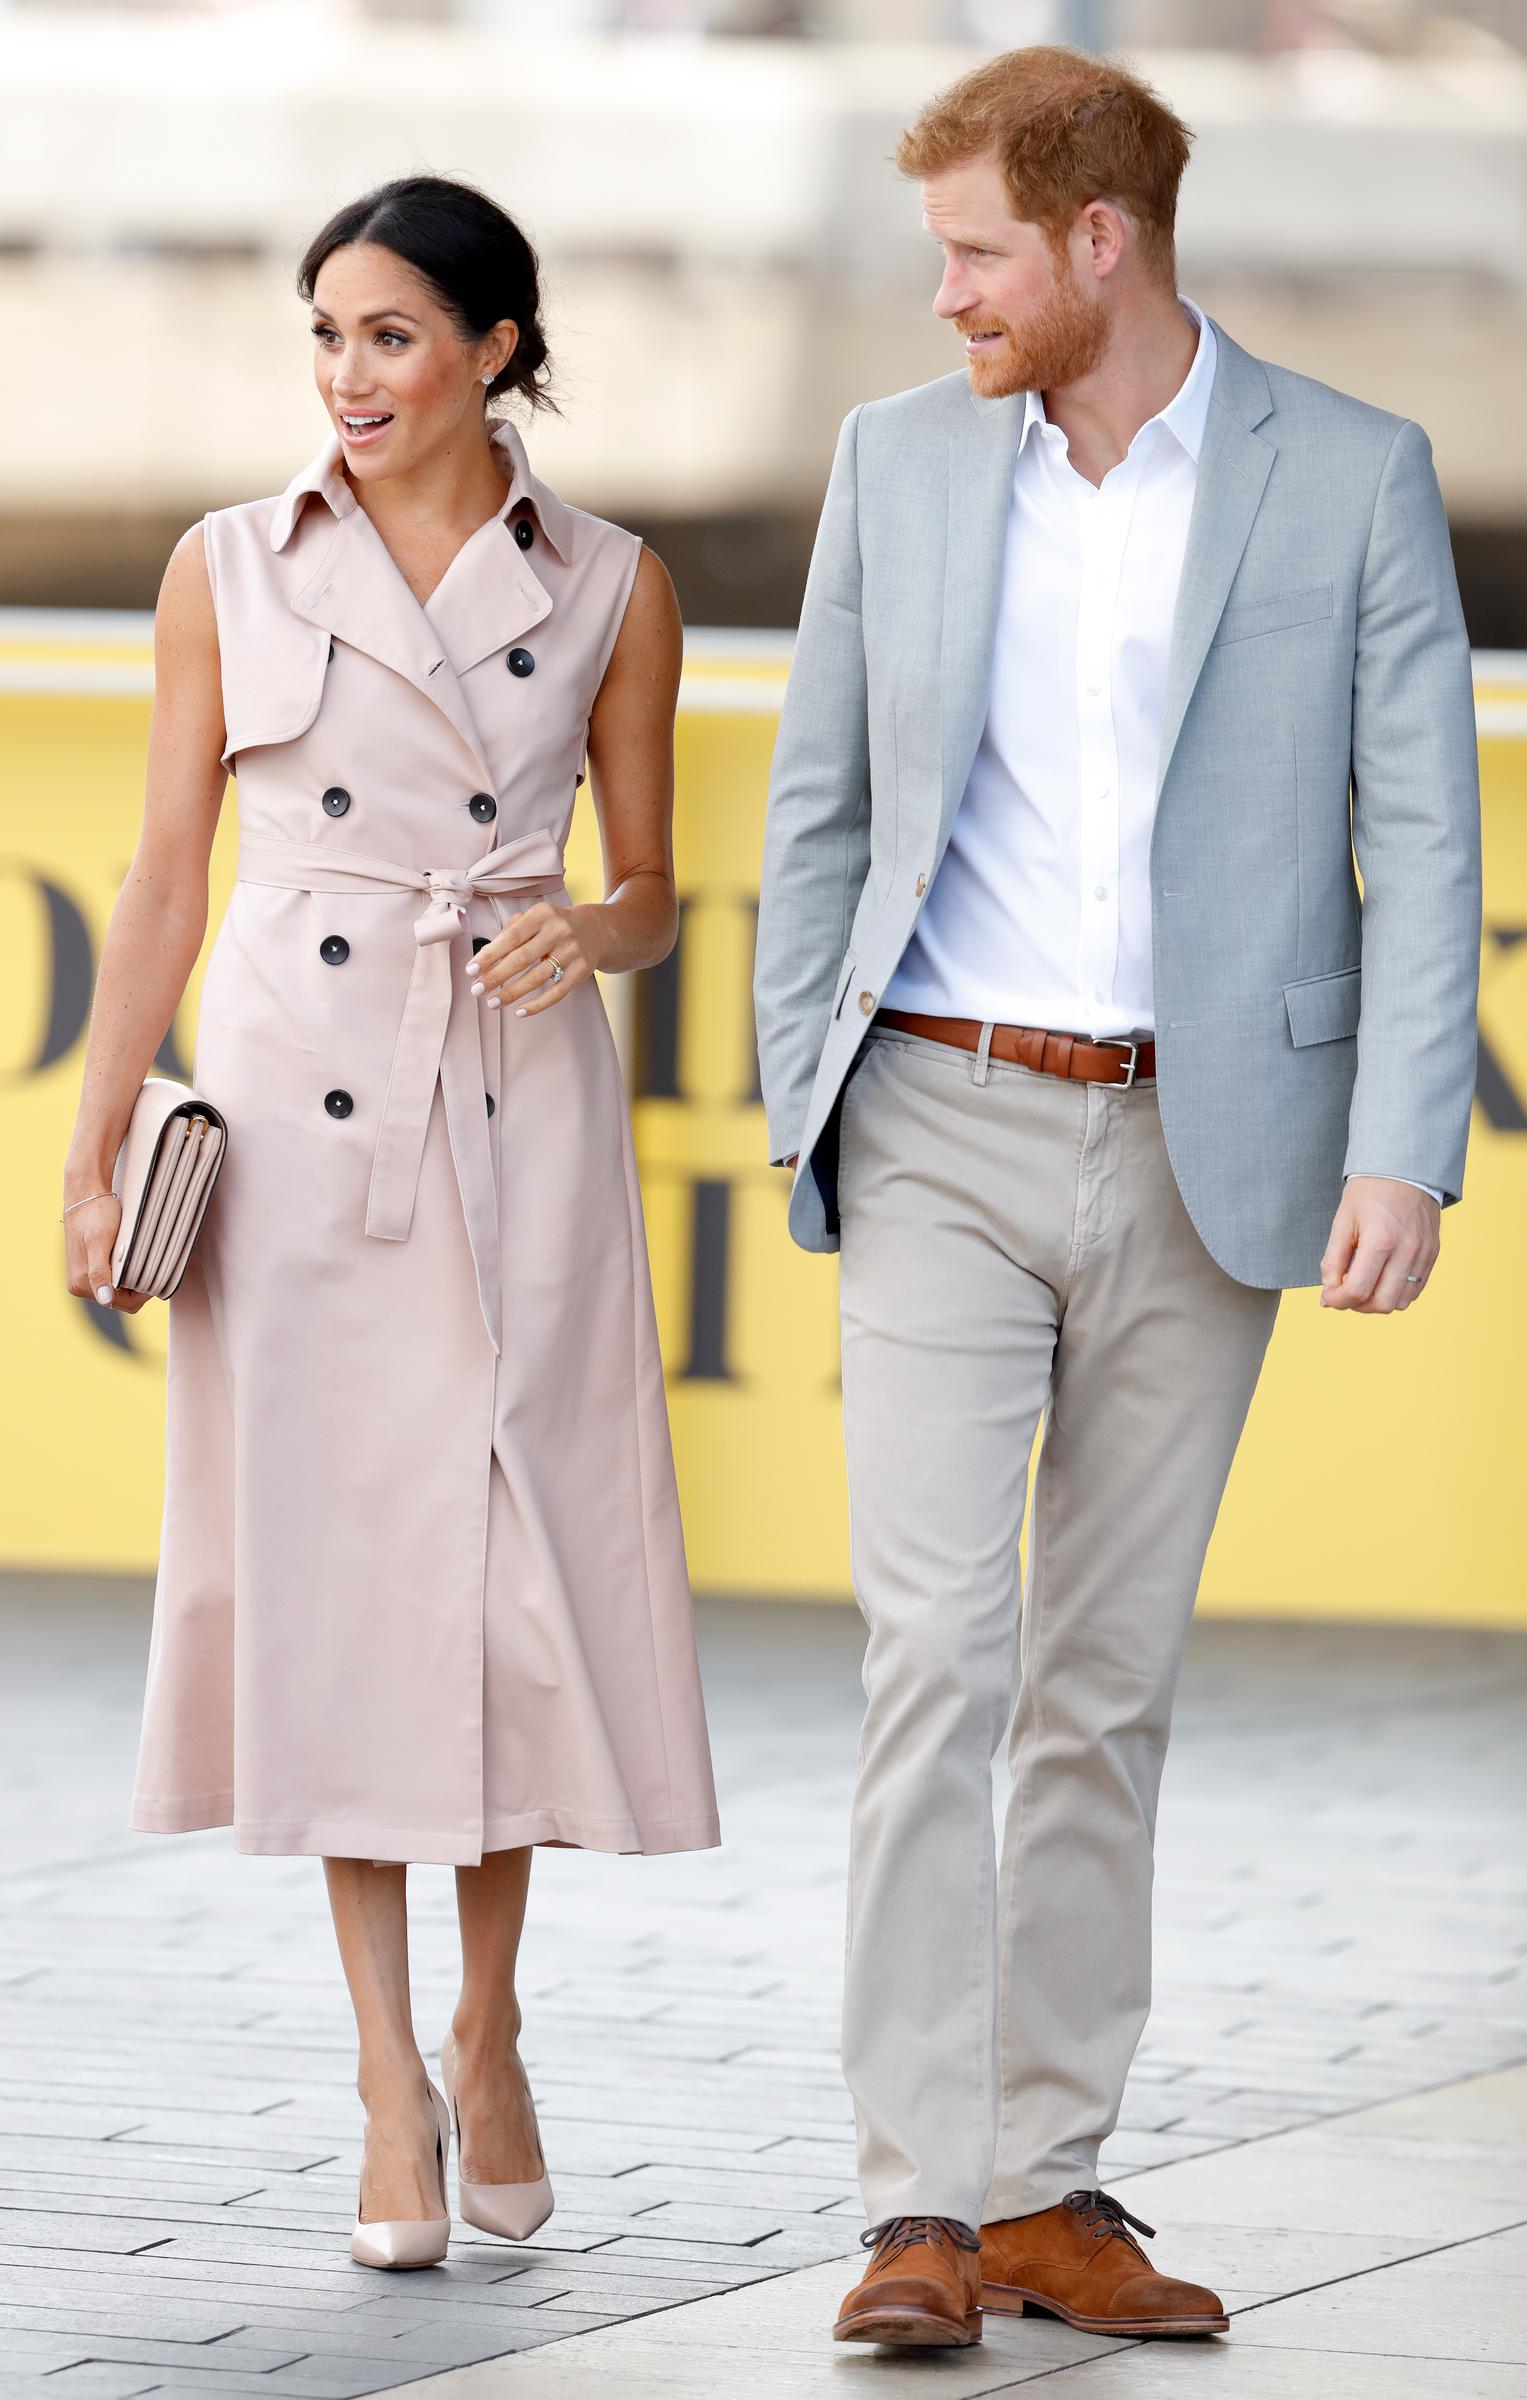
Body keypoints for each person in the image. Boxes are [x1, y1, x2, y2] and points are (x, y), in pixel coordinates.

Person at [754, 45, 1480, 2352]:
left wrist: (1397, 1140)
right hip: (942, 1119)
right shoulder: (893, 462)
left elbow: (1417, 827)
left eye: (975, 250)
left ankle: (1046, 2187)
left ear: (1099, 242)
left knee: (1101, 1683)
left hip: (1207, 1141)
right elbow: (821, 813)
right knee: (931, 1666)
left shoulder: (1349, 476)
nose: (943, 291)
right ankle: (910, 2215)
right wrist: (814, 1095)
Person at [61, 174, 720, 2271]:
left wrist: (586, 936)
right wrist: (94, 1146)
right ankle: (382, 2080)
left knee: (503, 1586)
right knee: (340, 1594)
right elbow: (165, 880)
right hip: (291, 1099)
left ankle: (493, 2027)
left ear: (496, 350)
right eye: (324, 335)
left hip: (509, 1102)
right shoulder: (225, 567)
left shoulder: (613, 581)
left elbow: (649, 882)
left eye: (390, 336)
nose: (348, 377)